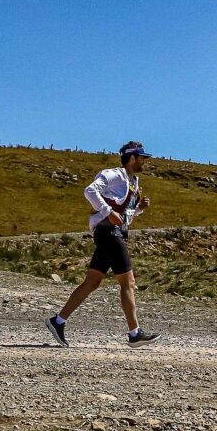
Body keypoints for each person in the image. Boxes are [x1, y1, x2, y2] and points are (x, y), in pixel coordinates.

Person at [44, 141, 161, 348]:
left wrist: (140, 209)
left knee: (92, 282)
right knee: (128, 282)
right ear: (132, 158)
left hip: (112, 232)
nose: (145, 161)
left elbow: (123, 216)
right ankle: (134, 333)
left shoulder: (133, 182)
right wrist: (108, 212)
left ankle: (58, 321)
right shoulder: (115, 175)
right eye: (142, 158)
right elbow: (89, 191)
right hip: (108, 233)